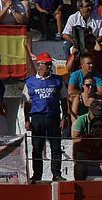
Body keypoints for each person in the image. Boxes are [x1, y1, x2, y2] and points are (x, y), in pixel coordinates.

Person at [23, 52, 68, 183]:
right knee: (37, 147)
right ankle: (37, 174)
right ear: (39, 65)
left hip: (53, 116)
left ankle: (56, 174)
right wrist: (26, 120)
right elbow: (27, 102)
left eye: (50, 64)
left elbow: (64, 100)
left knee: (55, 147)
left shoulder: (58, 80)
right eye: (46, 64)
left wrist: (64, 117)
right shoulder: (30, 82)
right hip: (37, 117)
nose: (49, 66)